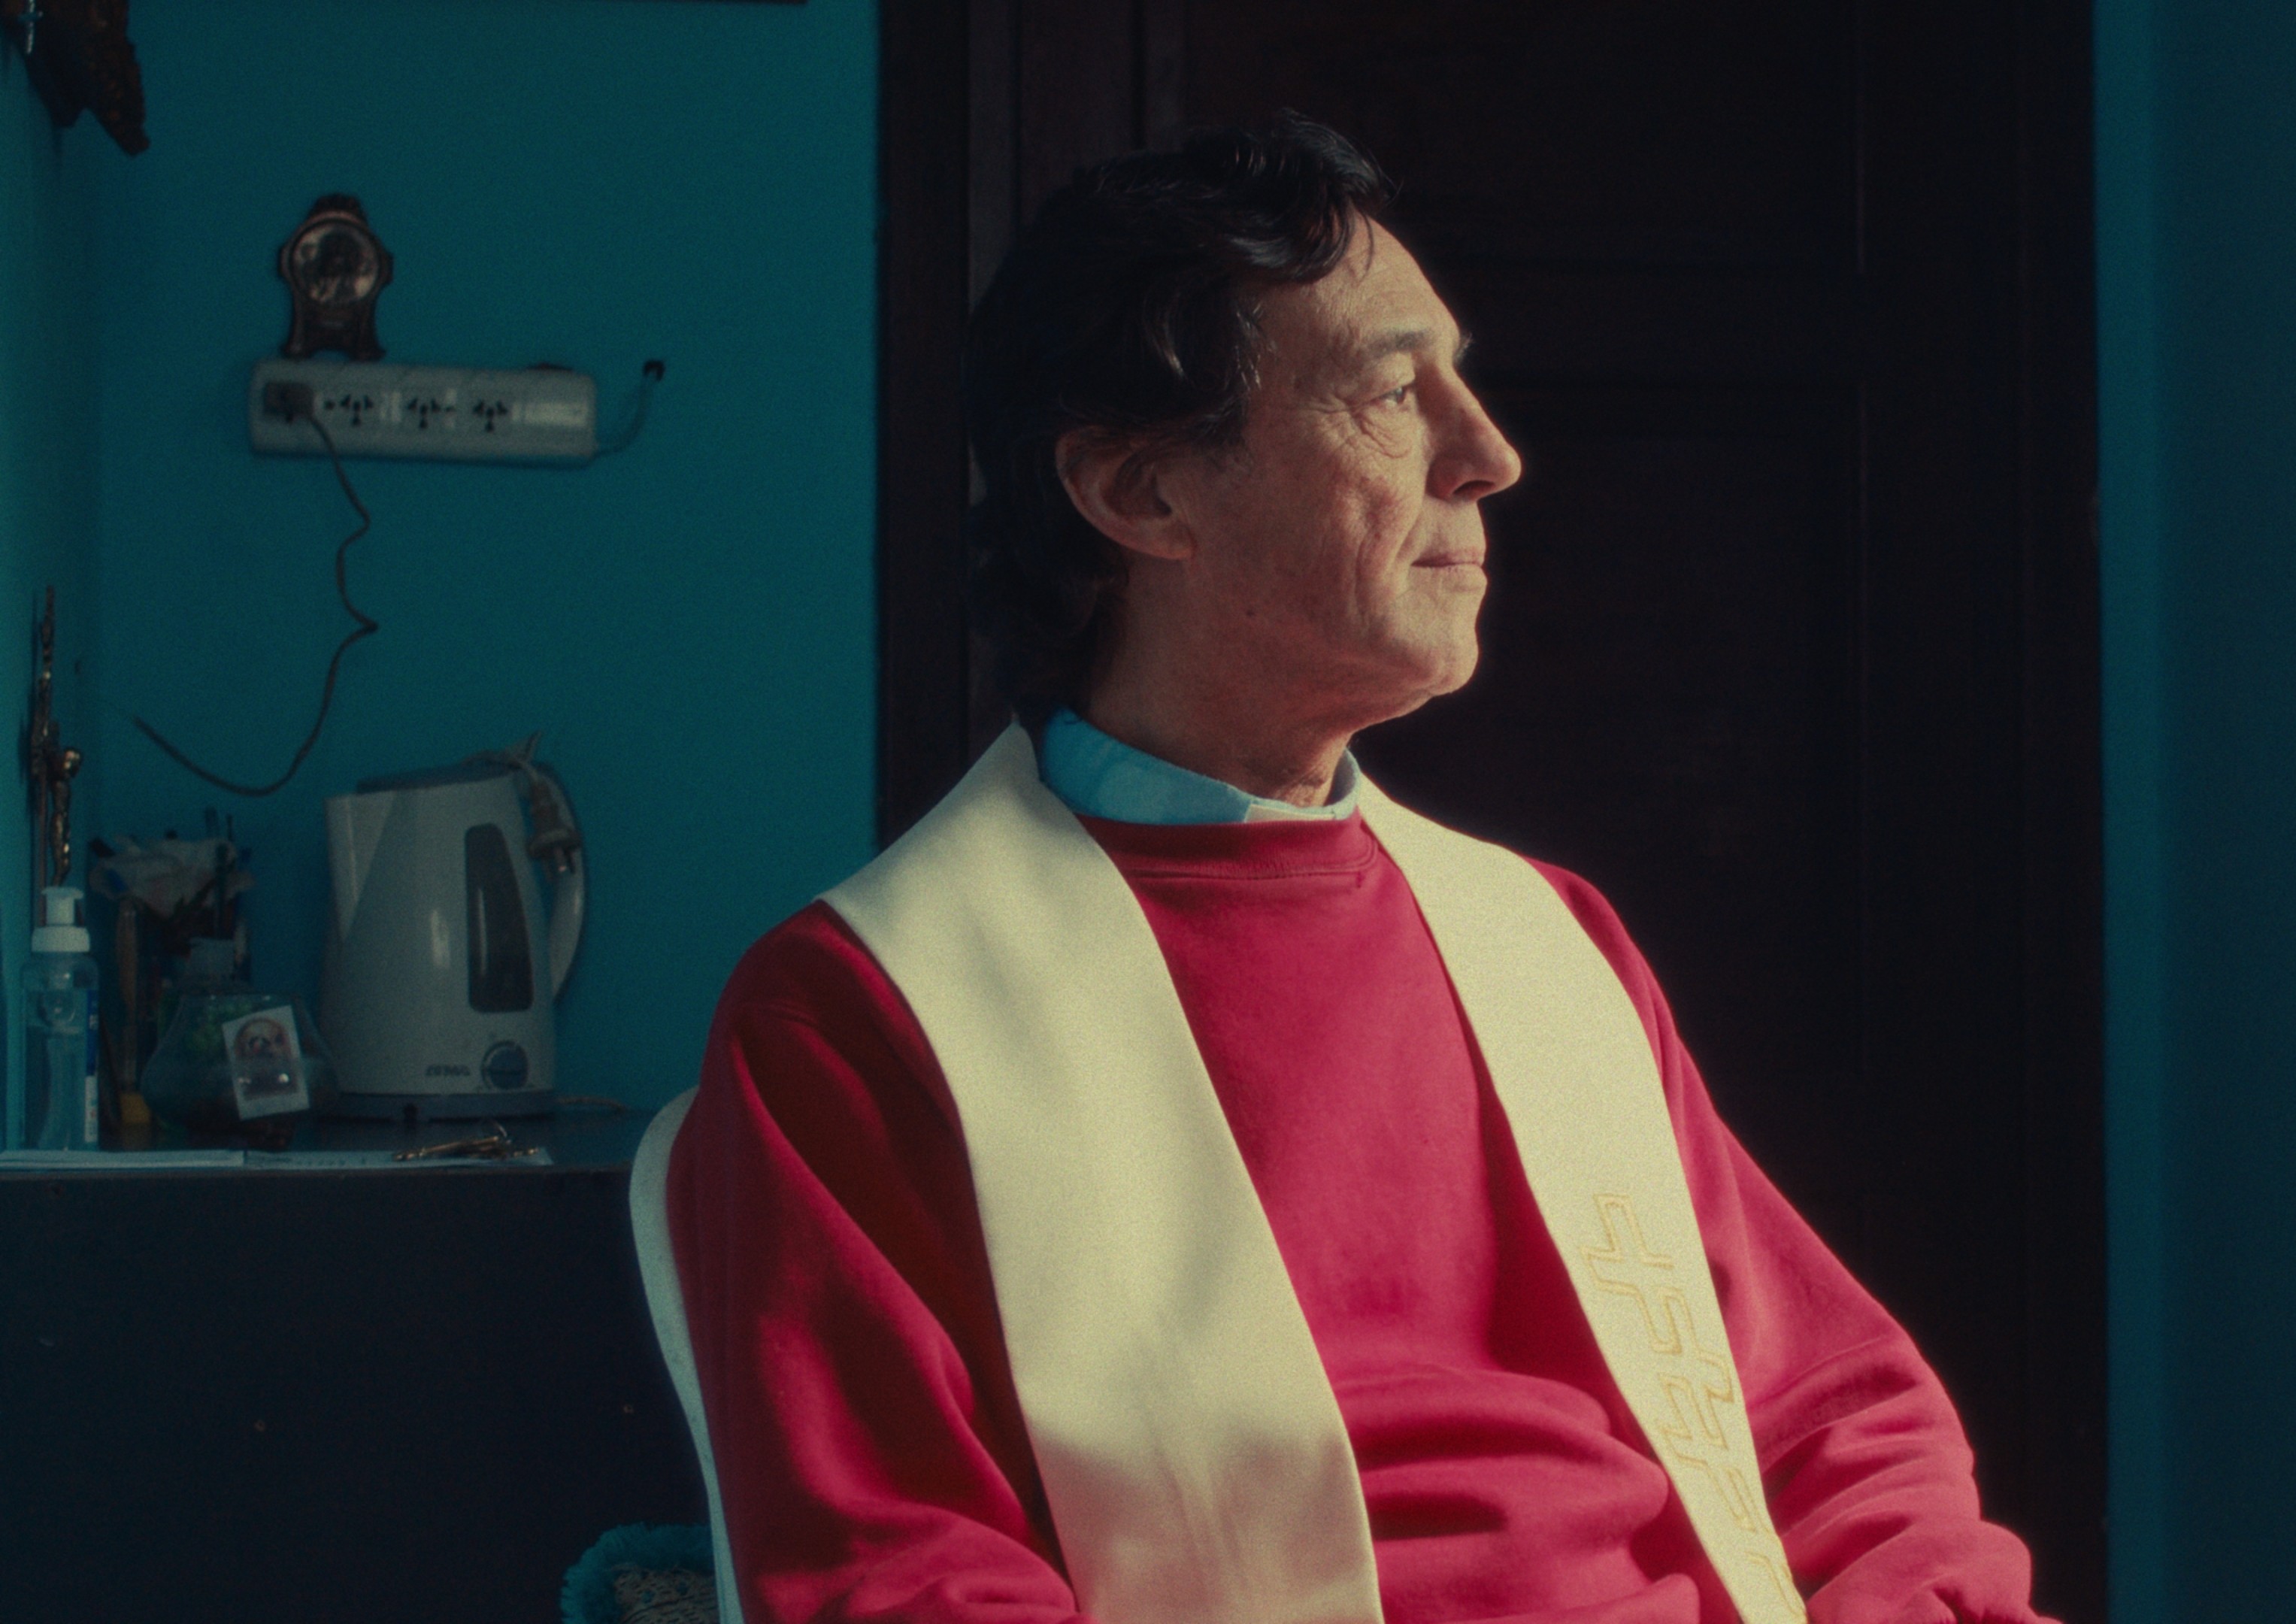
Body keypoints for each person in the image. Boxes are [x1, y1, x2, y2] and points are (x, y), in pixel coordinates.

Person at [668, 114, 2054, 1624]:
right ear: (1142, 495)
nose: (1492, 456)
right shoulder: (866, 1013)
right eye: (1396, 393)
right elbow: (902, 1582)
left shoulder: (1548, 939)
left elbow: (1841, 1425)